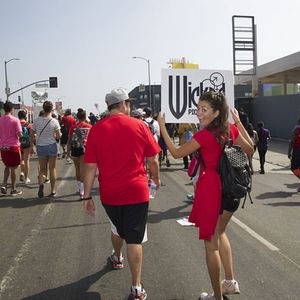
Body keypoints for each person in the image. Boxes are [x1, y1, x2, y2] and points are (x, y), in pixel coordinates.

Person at [157, 91, 253, 300]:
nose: (198, 113)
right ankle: (229, 282)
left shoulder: (204, 135)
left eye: (203, 109)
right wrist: (237, 121)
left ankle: (217, 297)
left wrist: (162, 126)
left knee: (211, 246)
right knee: (220, 234)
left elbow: (175, 152)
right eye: (198, 108)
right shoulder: (231, 130)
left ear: (216, 112)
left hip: (212, 190)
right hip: (233, 190)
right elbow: (250, 149)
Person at [83, 87, 160, 300]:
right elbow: (153, 159)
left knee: (117, 227)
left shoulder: (97, 129)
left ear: (109, 107)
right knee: (134, 238)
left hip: (110, 193)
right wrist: (156, 179)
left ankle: (117, 257)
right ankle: (136, 287)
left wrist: (87, 196)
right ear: (125, 104)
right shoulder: (140, 126)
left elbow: (89, 166)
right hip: (136, 190)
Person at [31, 101, 61, 198]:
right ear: (51, 109)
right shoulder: (54, 121)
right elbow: (58, 136)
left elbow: (32, 133)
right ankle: (52, 190)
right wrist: (59, 136)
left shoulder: (36, 120)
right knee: (52, 169)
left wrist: (32, 146)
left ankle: (41, 182)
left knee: (43, 169)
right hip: (52, 146)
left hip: (40, 147)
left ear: (43, 109)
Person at [67, 109, 92, 199]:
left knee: (77, 169)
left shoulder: (73, 127)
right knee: (83, 170)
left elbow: (69, 140)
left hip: (75, 148)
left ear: (77, 117)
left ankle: (80, 187)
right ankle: (82, 190)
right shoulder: (89, 126)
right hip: (85, 149)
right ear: (85, 117)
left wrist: (67, 151)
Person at [0, 101, 23, 196]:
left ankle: (4, 184)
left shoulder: (0, 119)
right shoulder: (15, 120)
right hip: (13, 147)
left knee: (7, 166)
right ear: (12, 109)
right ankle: (13, 189)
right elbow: (19, 134)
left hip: (3, 147)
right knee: (14, 167)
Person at [18, 109, 32, 184]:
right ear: (25, 116)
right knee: (27, 161)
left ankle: (22, 172)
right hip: (26, 144)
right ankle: (26, 178)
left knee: (21, 160)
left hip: (19, 144)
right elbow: (31, 135)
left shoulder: (17, 123)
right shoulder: (28, 124)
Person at [288, 118, 300, 193]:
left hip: (298, 150)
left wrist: (289, 152)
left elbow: (292, 141)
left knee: (293, 167)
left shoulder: (297, 130)